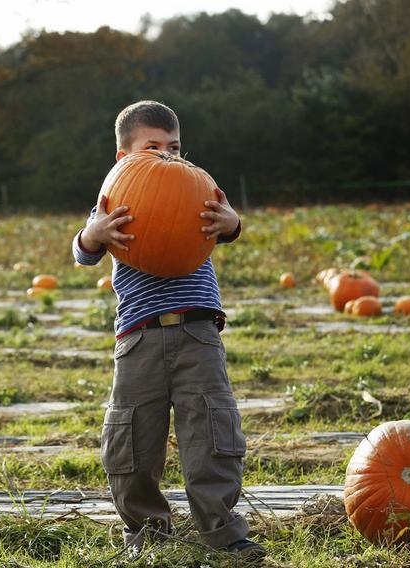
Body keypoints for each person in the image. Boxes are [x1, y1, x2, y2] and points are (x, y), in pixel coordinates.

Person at [71, 100, 266, 561]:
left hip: (198, 332)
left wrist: (232, 223)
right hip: (138, 338)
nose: (166, 156)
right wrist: (93, 235)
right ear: (125, 157)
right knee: (133, 437)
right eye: (153, 146)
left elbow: (229, 224)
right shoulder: (113, 200)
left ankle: (222, 531)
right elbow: (82, 251)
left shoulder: (197, 189)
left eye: (174, 147)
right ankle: (145, 533)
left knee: (212, 433)